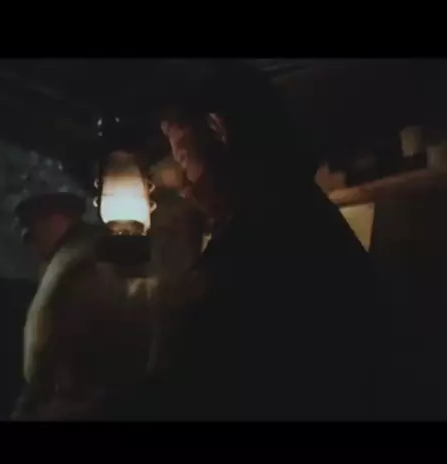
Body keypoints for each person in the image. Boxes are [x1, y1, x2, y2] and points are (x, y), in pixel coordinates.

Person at [118, 60, 404, 420]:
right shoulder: (298, 218)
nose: (187, 187)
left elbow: (203, 380)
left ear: (219, 131)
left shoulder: (267, 242)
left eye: (186, 160)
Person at [11, 192, 159, 420]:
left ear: (58, 218)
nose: (28, 240)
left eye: (34, 227)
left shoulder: (95, 254)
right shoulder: (65, 259)